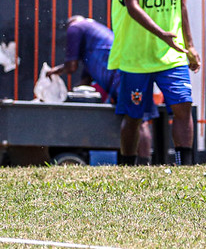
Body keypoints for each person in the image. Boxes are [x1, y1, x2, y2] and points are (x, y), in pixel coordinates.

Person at [109, 0, 201, 166]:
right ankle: (126, 166)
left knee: (183, 106)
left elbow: (180, 3)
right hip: (136, 54)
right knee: (134, 116)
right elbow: (133, 7)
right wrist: (163, 33)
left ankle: (185, 167)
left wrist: (190, 45)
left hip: (171, 53)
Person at [47, 15, 154, 164]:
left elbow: (71, 66)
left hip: (125, 76)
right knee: (133, 120)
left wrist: (53, 72)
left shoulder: (76, 27)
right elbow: (85, 81)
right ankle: (134, 162)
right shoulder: (92, 47)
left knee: (138, 120)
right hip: (125, 76)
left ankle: (144, 164)